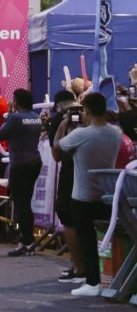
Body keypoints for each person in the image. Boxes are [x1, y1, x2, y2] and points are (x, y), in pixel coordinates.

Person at [53, 92, 122, 297]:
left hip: (83, 196)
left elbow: (57, 149)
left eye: (83, 110)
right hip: (107, 195)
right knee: (107, 240)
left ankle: (92, 282)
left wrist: (63, 125)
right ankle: (109, 276)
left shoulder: (80, 135)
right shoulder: (116, 132)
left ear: (88, 110)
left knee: (88, 241)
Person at [0, 88, 43, 257]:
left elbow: (1, 134)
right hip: (34, 162)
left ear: (16, 102)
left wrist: (9, 114)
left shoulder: (15, 117)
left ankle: (26, 242)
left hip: (20, 164)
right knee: (26, 202)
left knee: (21, 204)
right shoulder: (36, 118)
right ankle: (28, 241)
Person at [45, 90, 84, 282]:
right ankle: (92, 268)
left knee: (68, 217)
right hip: (94, 174)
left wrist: (60, 126)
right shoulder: (90, 117)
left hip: (71, 174)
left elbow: (57, 155)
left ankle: (79, 267)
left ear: (59, 105)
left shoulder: (60, 120)